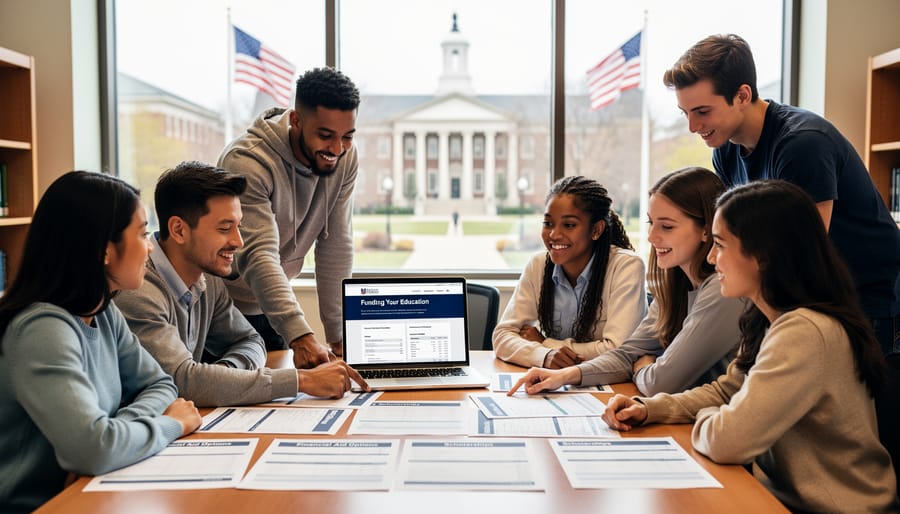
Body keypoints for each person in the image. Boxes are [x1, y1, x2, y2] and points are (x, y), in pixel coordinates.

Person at [601, 180, 897, 513]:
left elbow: (730, 440)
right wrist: (649, 408)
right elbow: (725, 391)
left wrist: (720, 418)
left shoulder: (804, 331)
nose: (712, 259)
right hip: (784, 499)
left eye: (721, 245)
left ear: (764, 256)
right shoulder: (768, 319)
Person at [663, 33, 900, 358]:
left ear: (742, 95)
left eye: (702, 111)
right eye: (685, 113)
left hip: (869, 299)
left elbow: (802, 256)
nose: (692, 126)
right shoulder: (726, 150)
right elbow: (740, 240)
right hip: (814, 300)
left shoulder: (803, 144)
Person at [0, 171, 202, 513]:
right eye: (141, 234)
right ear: (104, 251)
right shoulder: (43, 329)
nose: (151, 246)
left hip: (89, 492)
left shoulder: (102, 311)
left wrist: (118, 430)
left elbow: (160, 384)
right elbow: (94, 450)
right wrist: (172, 424)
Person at [114, 162, 368, 408]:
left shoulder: (207, 277)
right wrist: (301, 381)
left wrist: (224, 377)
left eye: (239, 227)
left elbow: (250, 341)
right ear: (179, 230)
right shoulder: (138, 288)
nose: (239, 242)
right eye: (225, 228)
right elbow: (183, 381)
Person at [509, 167, 744, 396]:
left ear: (706, 230)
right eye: (651, 223)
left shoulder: (722, 290)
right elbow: (626, 354)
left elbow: (657, 383)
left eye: (667, 226)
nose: (651, 237)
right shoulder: (672, 287)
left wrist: (642, 368)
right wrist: (565, 376)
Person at [218, 67, 360, 368]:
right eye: (325, 135)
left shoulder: (345, 157)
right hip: (222, 310)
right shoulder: (248, 161)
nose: (337, 149)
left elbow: (336, 245)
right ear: (296, 120)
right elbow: (259, 255)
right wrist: (300, 335)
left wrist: (338, 335)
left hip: (273, 306)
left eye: (346, 136)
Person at [493, 175, 647, 368]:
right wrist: (544, 356)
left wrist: (545, 344)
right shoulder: (538, 265)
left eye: (569, 225)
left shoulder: (626, 267)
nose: (554, 234)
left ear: (596, 230)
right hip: (556, 383)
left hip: (612, 386)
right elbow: (502, 336)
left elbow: (617, 350)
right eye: (548, 223)